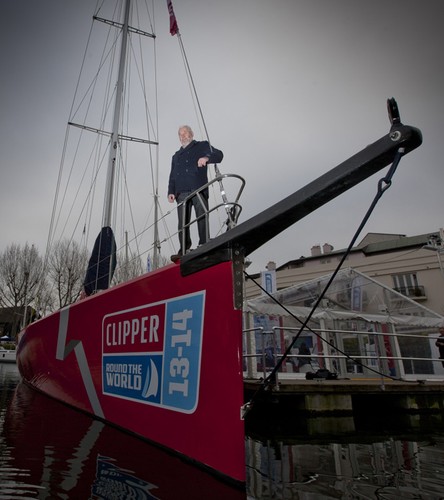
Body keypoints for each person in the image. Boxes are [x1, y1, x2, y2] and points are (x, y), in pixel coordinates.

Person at [168, 125, 223, 260]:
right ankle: (184, 248)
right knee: (182, 222)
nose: (182, 137)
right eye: (180, 135)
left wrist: (206, 158)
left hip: (198, 188)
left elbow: (219, 155)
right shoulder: (176, 156)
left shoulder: (202, 146)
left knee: (202, 217)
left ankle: (204, 244)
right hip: (181, 193)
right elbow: (173, 175)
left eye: (185, 133)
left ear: (191, 134)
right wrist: (171, 191)